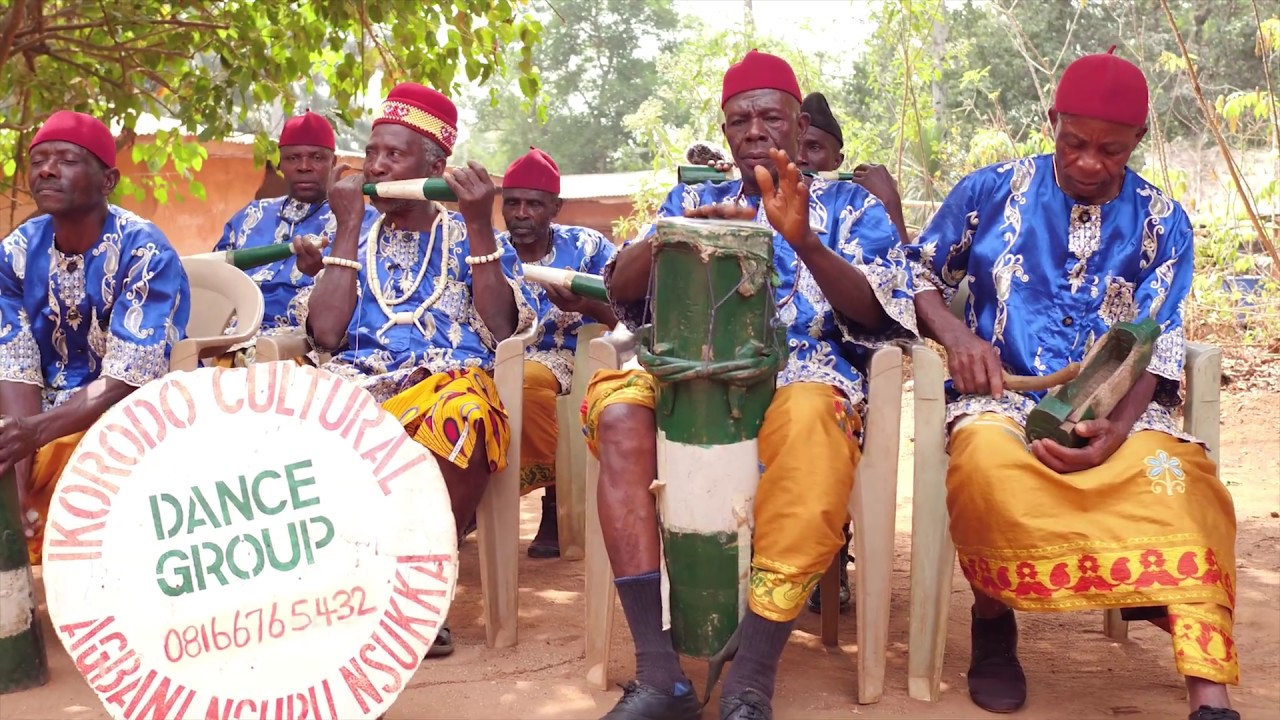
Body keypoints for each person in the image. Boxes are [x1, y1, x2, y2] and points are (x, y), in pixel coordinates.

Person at [901, 48, 1239, 720]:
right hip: (998, 401)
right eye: (1073, 143)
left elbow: (1161, 341)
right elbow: (915, 276)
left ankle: (1209, 691)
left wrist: (1114, 432)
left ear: (1139, 141)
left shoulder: (1163, 223)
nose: (1089, 163)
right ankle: (994, 626)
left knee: (1184, 485)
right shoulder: (988, 192)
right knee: (988, 472)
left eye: (1111, 150)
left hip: (1121, 410)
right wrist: (959, 336)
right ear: (1051, 120)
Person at [582, 50, 915, 720]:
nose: (754, 128)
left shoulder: (852, 206)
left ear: (798, 123)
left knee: (814, 428)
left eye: (770, 115)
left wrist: (807, 241)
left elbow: (879, 311)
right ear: (726, 130)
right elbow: (620, 288)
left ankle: (750, 679)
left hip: (803, 380)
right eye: (740, 119)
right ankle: (661, 675)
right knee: (619, 413)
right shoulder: (694, 197)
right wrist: (677, 233)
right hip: (688, 380)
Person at [306, 82, 535, 659]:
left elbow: (504, 328)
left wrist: (480, 224)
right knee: (294, 422)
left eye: (394, 155)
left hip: (447, 383)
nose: (377, 166)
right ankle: (336, 594)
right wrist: (348, 227)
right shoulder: (352, 234)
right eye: (373, 152)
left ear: (436, 167)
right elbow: (327, 335)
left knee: (466, 414)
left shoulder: (467, 234)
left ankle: (420, 595)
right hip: (358, 387)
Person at [0, 110, 191, 565]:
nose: (46, 170)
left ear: (108, 181)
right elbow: (16, 367)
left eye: (65, 159)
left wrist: (36, 434)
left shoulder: (144, 251)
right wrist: (17, 485)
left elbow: (126, 380)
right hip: (36, 417)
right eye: (38, 160)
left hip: (124, 412)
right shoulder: (16, 251)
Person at [499, 147, 617, 558]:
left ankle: (552, 504)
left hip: (568, 356)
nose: (521, 213)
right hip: (491, 354)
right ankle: (475, 500)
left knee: (526, 380)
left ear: (555, 207)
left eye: (534, 204)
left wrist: (583, 305)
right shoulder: (488, 251)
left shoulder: (587, 247)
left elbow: (625, 312)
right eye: (512, 202)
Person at [213, 111, 377, 365]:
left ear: (334, 162)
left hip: (305, 349)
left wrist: (319, 274)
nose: (304, 166)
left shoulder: (361, 221)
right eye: (292, 158)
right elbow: (214, 280)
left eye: (316, 157)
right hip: (231, 340)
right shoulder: (250, 216)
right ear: (280, 163)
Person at [796, 91, 911, 245]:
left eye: (814, 148)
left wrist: (890, 202)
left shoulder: (859, 208)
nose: (800, 158)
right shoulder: (761, 200)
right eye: (794, 145)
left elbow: (899, 266)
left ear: (837, 161)